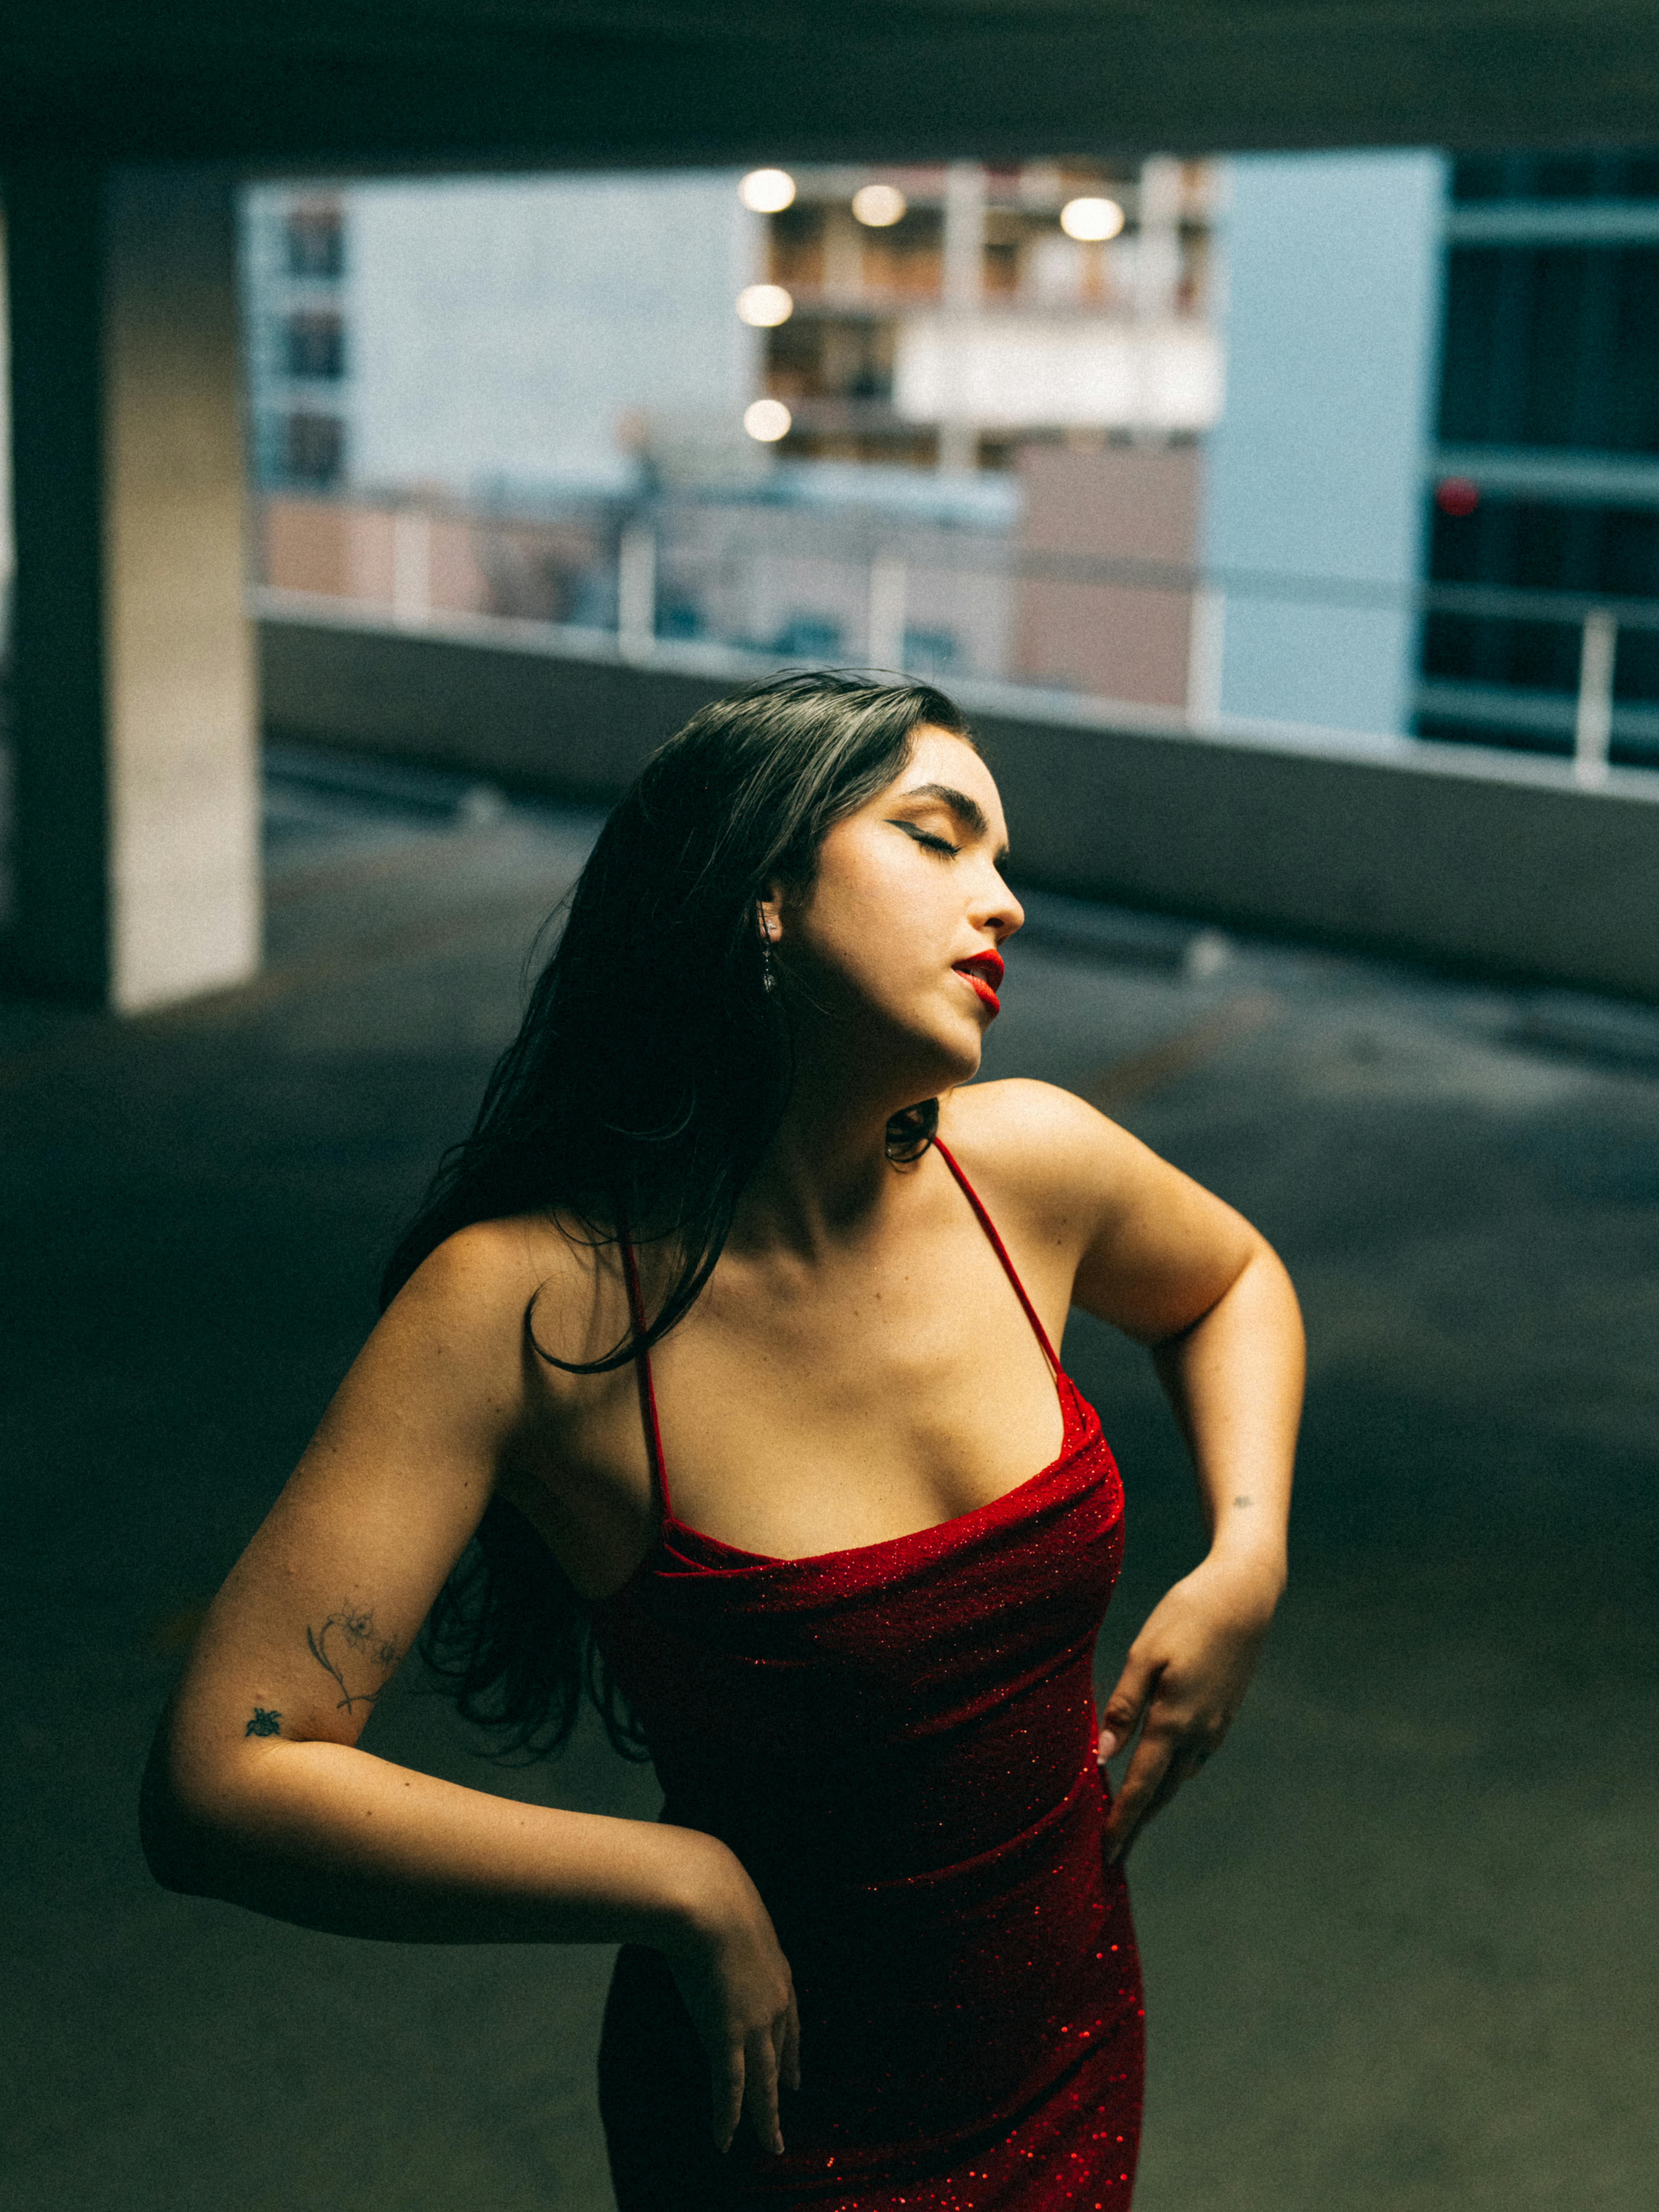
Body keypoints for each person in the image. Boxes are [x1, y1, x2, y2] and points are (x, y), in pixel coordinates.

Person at [143, 671, 1302, 2208]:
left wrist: (1247, 1556)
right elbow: (227, 1780)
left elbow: (1229, 1283)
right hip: (784, 2123)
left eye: (1003, 858)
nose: (1005, 900)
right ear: (762, 893)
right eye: (938, 839)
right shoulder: (530, 1304)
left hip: (1070, 2032)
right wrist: (672, 1882)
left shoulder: (1026, 1166)